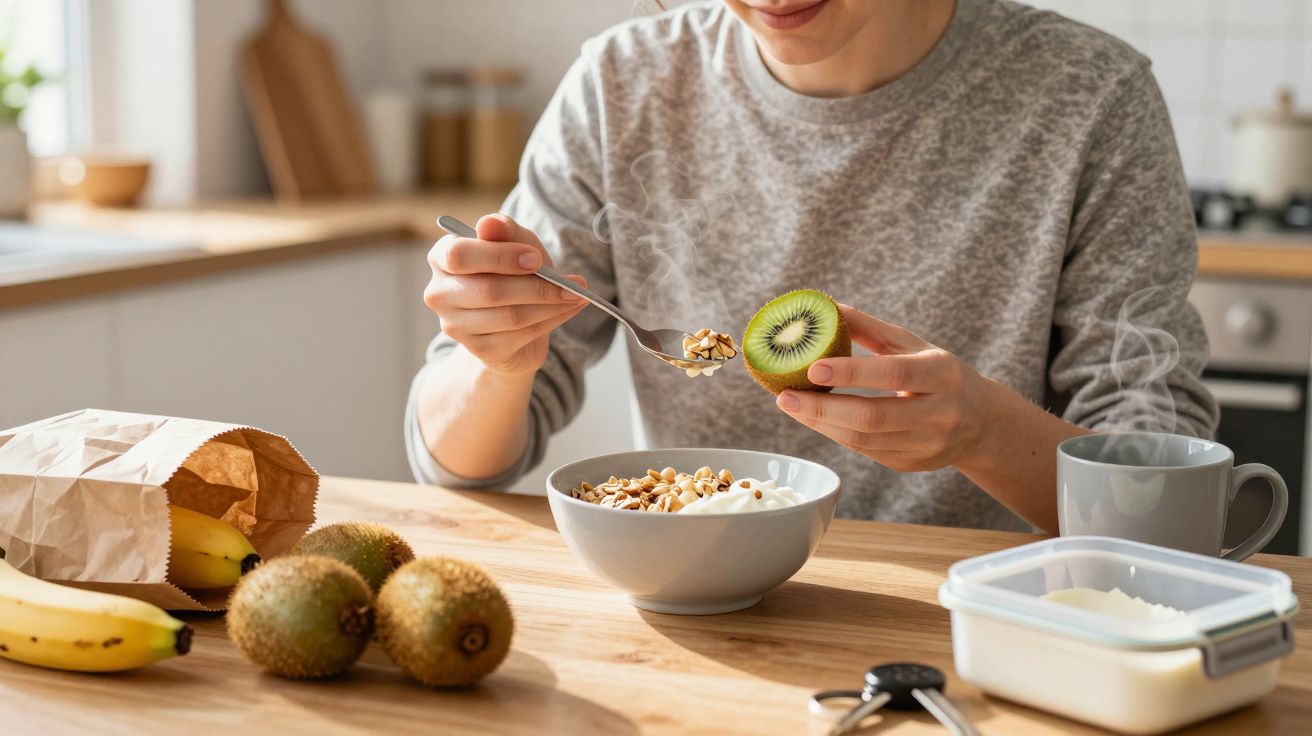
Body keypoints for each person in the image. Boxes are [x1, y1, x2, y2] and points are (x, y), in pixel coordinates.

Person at [405, 0, 1217, 534]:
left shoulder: (1088, 98)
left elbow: (1166, 510)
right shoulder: (625, 85)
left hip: (985, 630)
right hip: (705, 626)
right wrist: (498, 364)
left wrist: (981, 430)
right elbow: (454, 461)